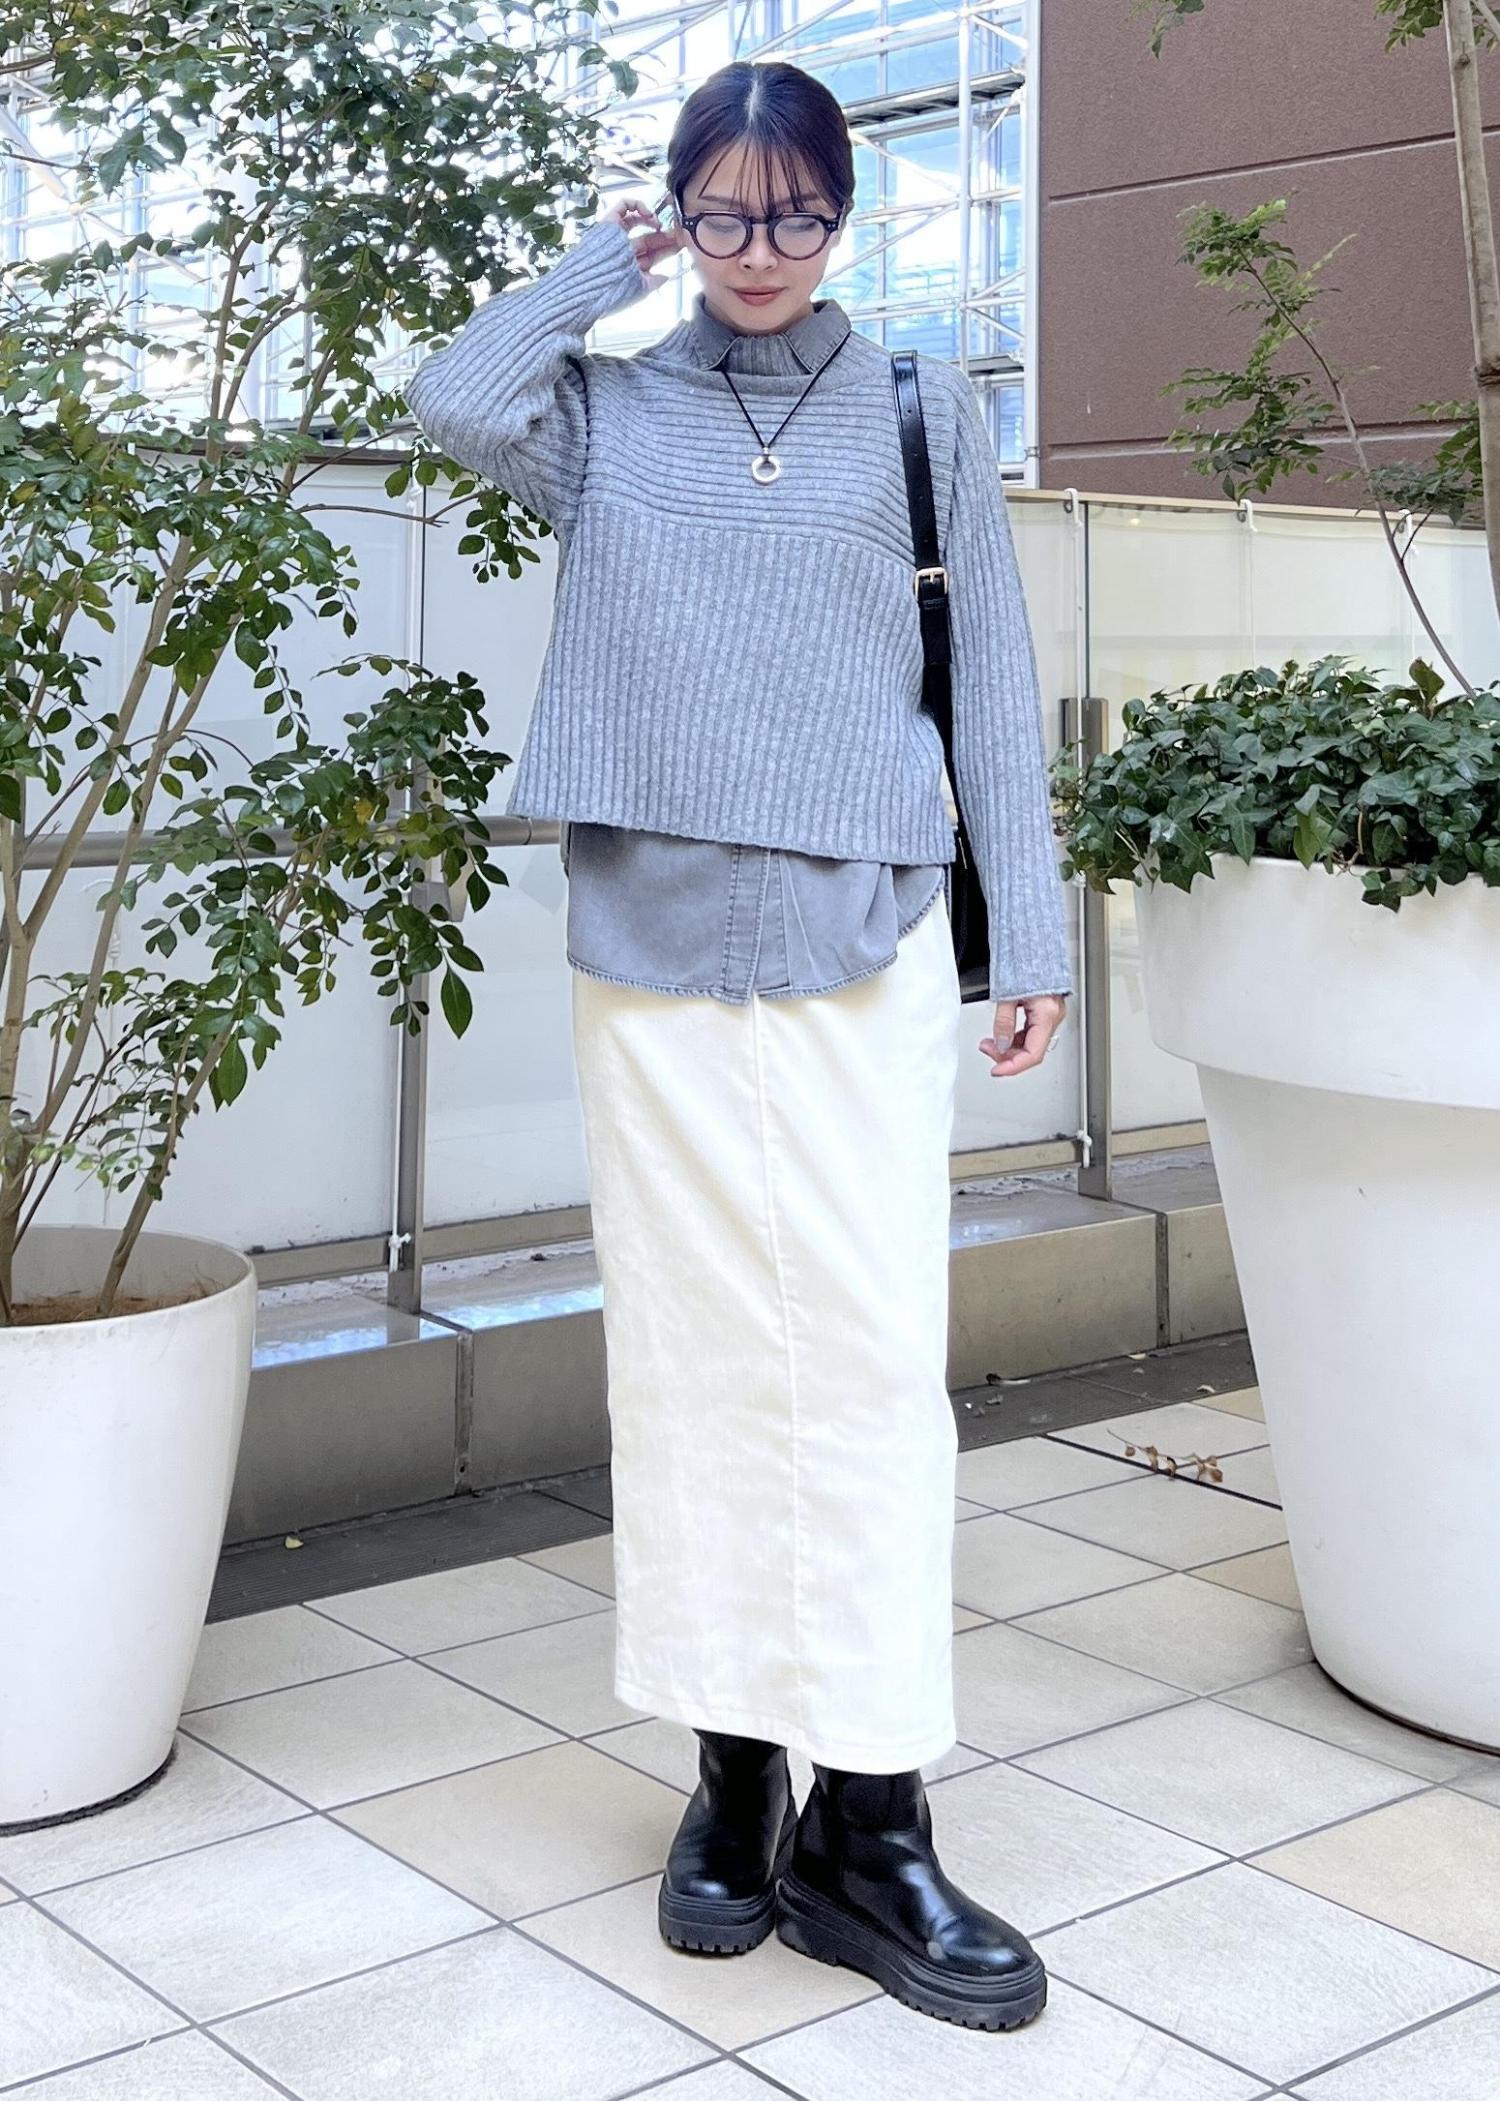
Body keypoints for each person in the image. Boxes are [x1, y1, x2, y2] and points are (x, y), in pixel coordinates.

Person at [406, 58, 1070, 2034]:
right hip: (655, 950)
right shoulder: (611, 412)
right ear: (679, 210)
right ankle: (730, 1773)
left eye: (795, 213)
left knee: (864, 1369)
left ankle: (873, 1810)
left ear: (846, 214)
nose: (759, 248)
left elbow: (991, 677)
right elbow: (453, 397)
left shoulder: (917, 403)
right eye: (722, 210)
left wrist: (1026, 929)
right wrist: (595, 267)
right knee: (694, 1362)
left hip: (867, 935)